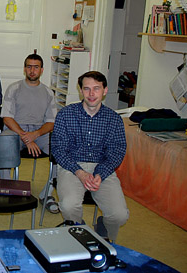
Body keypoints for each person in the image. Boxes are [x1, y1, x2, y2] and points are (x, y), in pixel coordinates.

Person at [51, 71, 129, 242]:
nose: (91, 94)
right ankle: (80, 233)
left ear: (105, 90)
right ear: (80, 90)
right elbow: (58, 149)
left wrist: (100, 173)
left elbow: (117, 151)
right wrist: (80, 172)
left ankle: (104, 229)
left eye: (96, 89)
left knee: (119, 215)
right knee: (68, 206)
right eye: (86, 89)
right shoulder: (66, 114)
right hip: (72, 166)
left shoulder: (114, 119)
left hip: (102, 168)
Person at [0, 53, 59, 213]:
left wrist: (35, 135)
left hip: (39, 133)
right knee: (2, 144)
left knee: (60, 150)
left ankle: (47, 194)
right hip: (16, 130)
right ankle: (7, 189)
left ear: (42, 70)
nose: (32, 70)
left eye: (36, 67)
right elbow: (7, 118)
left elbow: (51, 122)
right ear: (25, 69)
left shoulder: (48, 93)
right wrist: (26, 136)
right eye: (29, 67)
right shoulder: (14, 88)